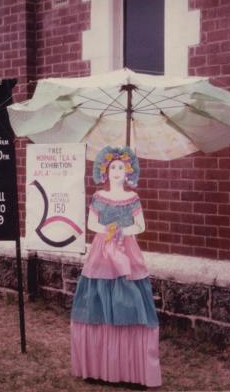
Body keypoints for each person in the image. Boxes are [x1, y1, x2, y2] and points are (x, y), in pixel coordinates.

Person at [70, 146, 162, 388]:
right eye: (113, 168)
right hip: (102, 252)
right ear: (105, 171)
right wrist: (108, 230)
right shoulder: (99, 197)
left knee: (130, 299)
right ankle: (98, 365)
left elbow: (140, 225)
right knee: (98, 298)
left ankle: (130, 367)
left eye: (121, 167)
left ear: (129, 171)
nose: (117, 172)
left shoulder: (133, 198)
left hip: (127, 251)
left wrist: (124, 231)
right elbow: (91, 222)